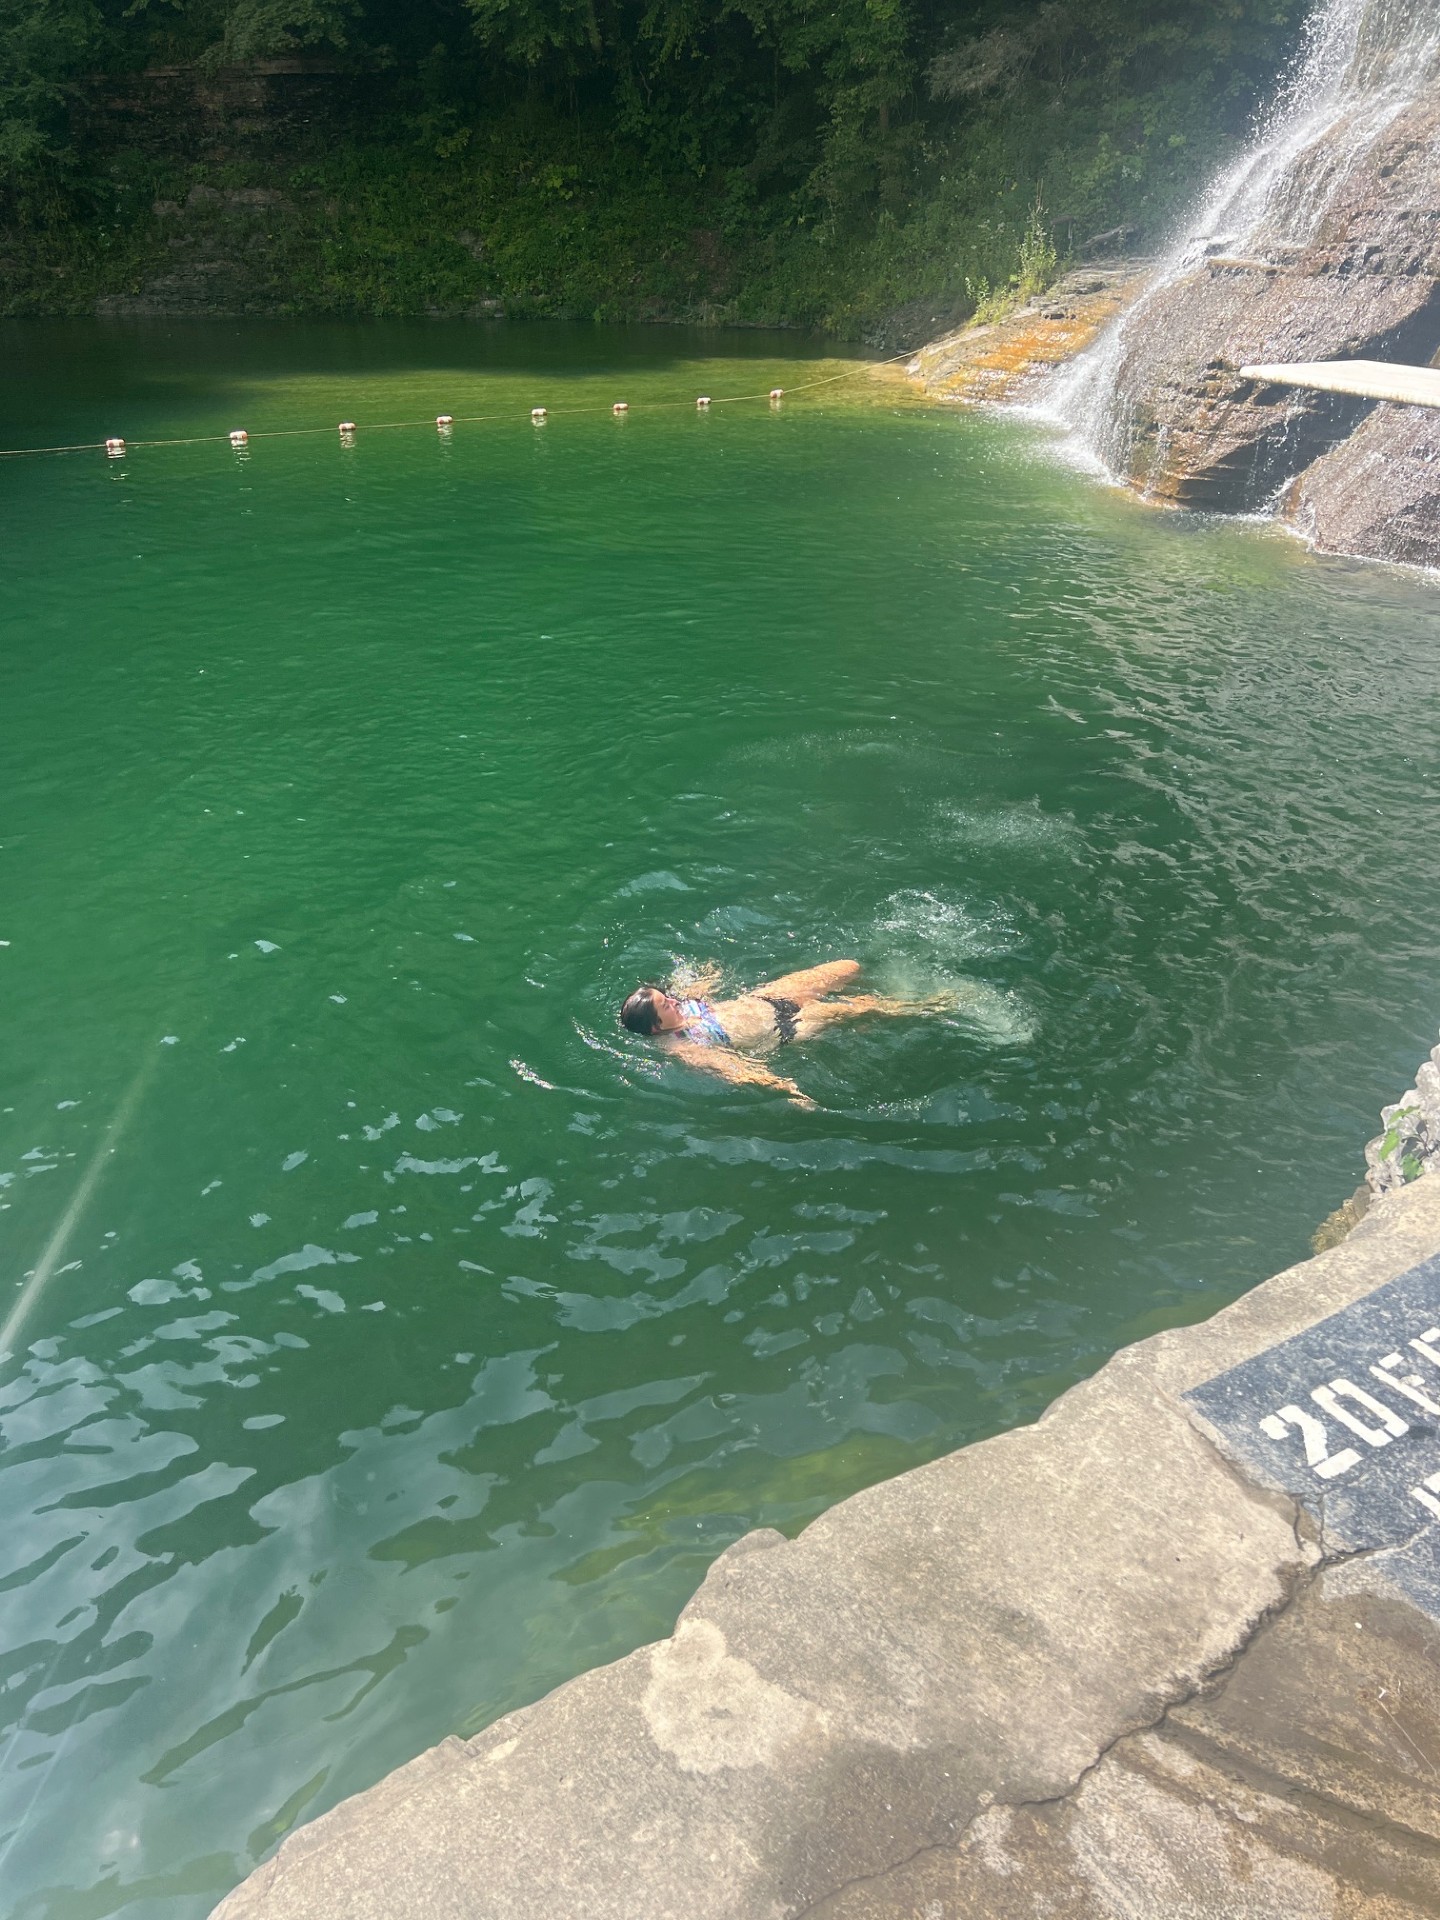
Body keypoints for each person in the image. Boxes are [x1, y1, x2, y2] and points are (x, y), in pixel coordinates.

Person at [619, 959, 939, 1107]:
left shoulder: (680, 1008)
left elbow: (700, 991)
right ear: (655, 1027)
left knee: (848, 967)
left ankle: (872, 1012)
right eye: (667, 1005)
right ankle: (935, 1003)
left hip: (769, 998)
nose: (674, 1001)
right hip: (785, 1029)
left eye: (668, 997)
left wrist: (707, 976)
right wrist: (786, 1088)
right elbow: (736, 1071)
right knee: (861, 1006)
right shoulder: (682, 1048)